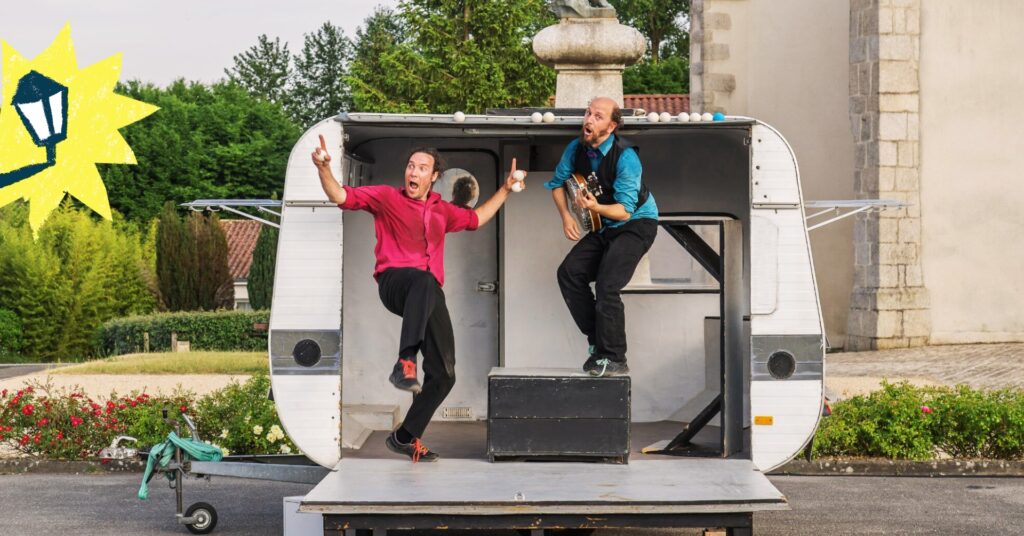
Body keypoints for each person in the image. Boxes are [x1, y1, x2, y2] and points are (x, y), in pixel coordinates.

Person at [313, 136, 525, 462]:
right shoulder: (386, 198)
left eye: (422, 168)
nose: (413, 172)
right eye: (411, 166)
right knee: (424, 280)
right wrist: (324, 168)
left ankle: (404, 437)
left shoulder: (443, 211)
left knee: (444, 375)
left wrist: (506, 189)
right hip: (394, 283)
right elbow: (340, 195)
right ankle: (405, 361)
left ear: (434, 176)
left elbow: (477, 218)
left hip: (427, 293)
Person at [544, 97, 659, 377]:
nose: (589, 119)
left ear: (611, 126)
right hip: (605, 226)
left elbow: (624, 211)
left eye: (598, 116)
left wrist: (594, 207)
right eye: (588, 113)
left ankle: (615, 357)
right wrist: (566, 216)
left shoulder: (626, 157)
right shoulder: (575, 148)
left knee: (608, 285)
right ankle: (598, 341)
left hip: (636, 223)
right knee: (569, 273)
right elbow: (557, 184)